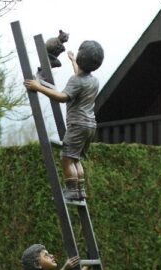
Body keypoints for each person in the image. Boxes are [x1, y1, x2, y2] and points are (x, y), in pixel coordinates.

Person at [24, 40, 104, 201]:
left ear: (82, 58)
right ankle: (80, 190)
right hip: (90, 126)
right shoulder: (94, 81)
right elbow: (79, 76)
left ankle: (72, 190)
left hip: (77, 124)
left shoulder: (76, 81)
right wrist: (73, 61)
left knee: (67, 157)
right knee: (76, 158)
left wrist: (39, 87)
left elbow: (62, 97)